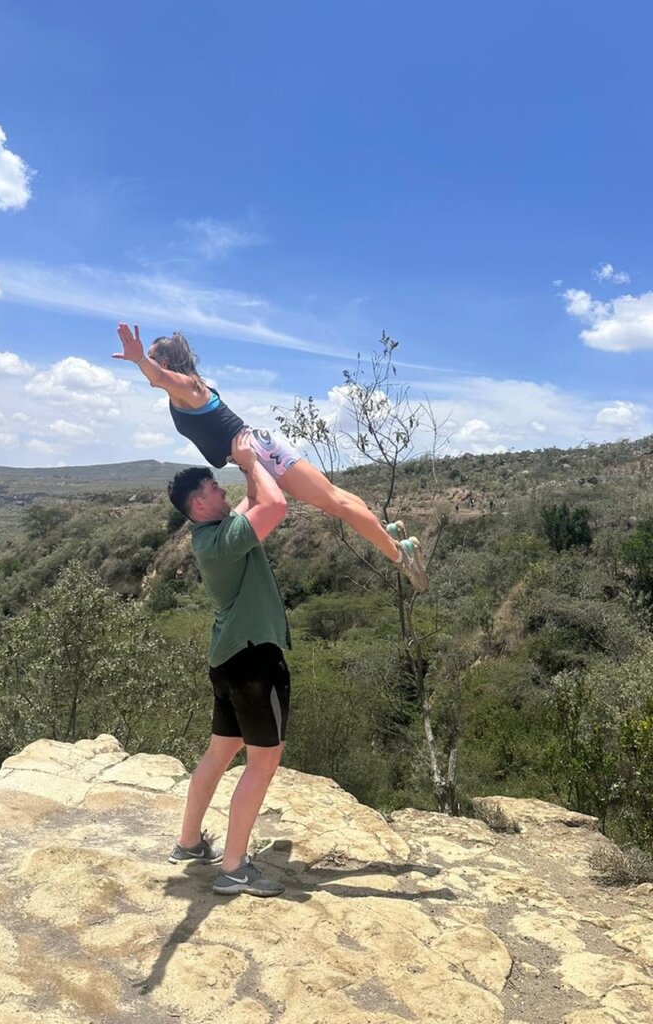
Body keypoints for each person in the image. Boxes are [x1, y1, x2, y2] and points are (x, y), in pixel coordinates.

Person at [112, 324, 429, 591]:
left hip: (259, 453)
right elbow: (161, 380)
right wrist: (143, 359)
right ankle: (385, 533)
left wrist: (139, 359)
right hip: (258, 450)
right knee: (336, 498)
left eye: (153, 357)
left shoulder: (187, 387)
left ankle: (401, 554)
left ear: (164, 361)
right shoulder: (184, 391)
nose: (148, 364)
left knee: (336, 503)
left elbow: (158, 378)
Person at [165, 432, 291, 897]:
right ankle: (235, 868)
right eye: (214, 489)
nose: (224, 493)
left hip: (228, 662)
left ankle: (189, 842)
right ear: (198, 505)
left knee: (221, 752)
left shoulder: (215, 534)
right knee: (263, 761)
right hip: (255, 663)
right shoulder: (220, 542)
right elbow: (275, 505)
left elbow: (257, 497)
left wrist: (246, 466)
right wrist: (245, 461)